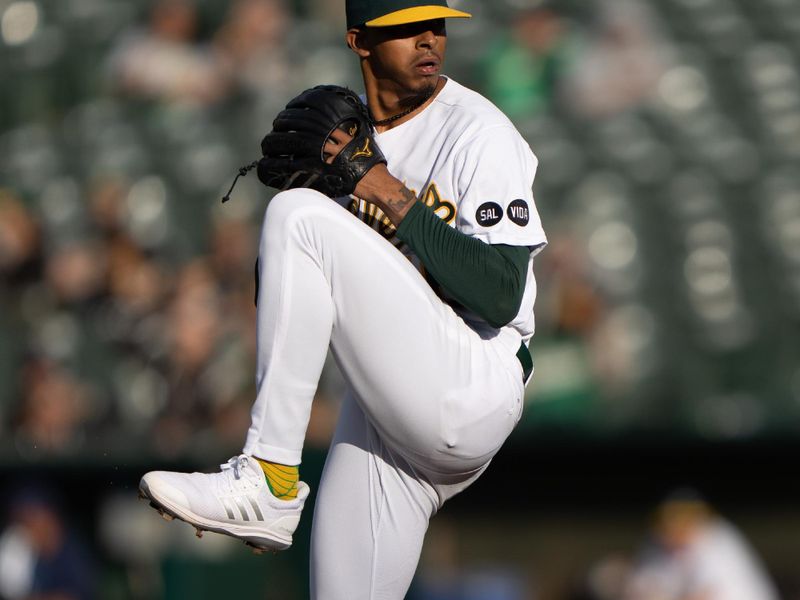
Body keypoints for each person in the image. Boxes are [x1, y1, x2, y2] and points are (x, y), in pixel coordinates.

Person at [139, 1, 547, 598]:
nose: (429, 39)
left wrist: (380, 189)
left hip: (474, 378)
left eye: (437, 26)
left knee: (294, 216)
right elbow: (291, 296)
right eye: (406, 27)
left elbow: (502, 293)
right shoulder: (348, 147)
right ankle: (267, 480)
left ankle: (270, 478)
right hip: (390, 410)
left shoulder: (477, 132)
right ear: (360, 41)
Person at [622, 488, 780, 600]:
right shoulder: (655, 544)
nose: (676, 523)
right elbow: (641, 589)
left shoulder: (717, 537)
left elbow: (705, 595)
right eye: (670, 517)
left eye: (684, 517)